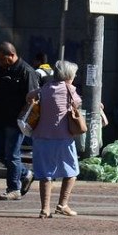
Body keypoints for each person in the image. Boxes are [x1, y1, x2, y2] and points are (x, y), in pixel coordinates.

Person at [26, 59, 82, 218]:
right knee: (71, 171)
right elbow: (77, 104)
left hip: (41, 137)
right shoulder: (70, 89)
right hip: (63, 137)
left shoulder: (44, 88)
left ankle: (45, 209)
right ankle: (62, 204)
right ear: (69, 75)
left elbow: (29, 96)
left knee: (45, 174)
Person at [0, 41, 40, 200]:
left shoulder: (27, 71)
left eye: (2, 59)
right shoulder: (2, 70)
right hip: (1, 119)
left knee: (12, 155)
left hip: (16, 121)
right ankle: (26, 173)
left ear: (11, 55)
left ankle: (14, 188)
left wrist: (23, 118)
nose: (0, 62)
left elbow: (33, 98)